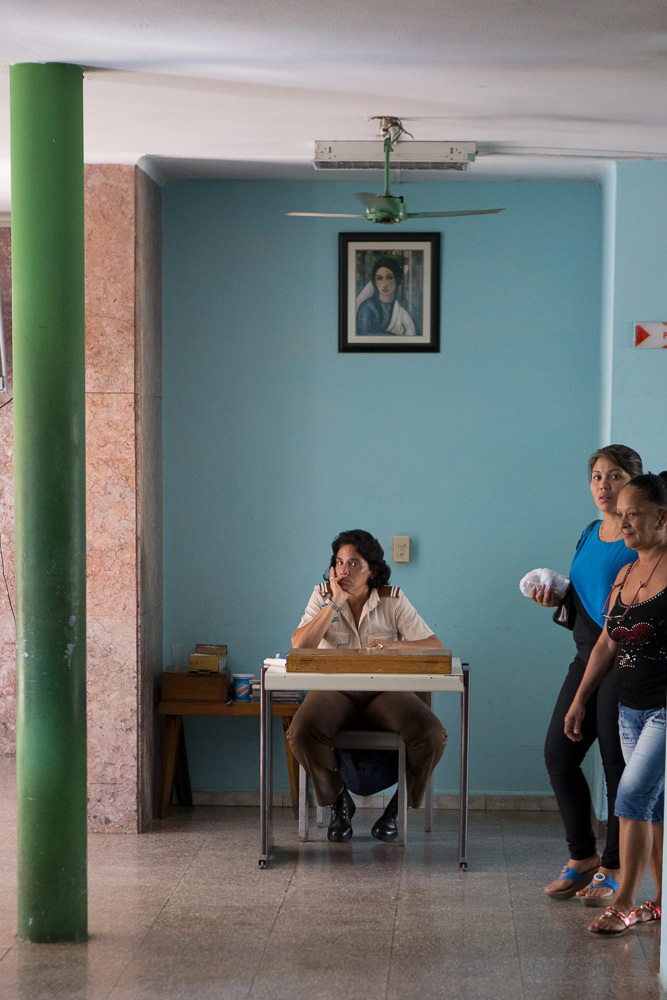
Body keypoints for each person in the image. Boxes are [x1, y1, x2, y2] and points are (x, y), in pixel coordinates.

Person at [530, 445, 643, 904]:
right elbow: (586, 595)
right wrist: (556, 597)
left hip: (625, 661)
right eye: (596, 476)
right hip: (586, 654)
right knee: (559, 754)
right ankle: (583, 857)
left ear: (634, 482)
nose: (603, 485)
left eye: (614, 476)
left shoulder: (642, 536)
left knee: (617, 769)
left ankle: (613, 866)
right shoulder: (591, 531)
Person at [287, 529, 447, 843]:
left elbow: (435, 645)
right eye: (339, 562)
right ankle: (337, 802)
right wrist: (335, 604)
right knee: (301, 730)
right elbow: (299, 646)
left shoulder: (393, 597)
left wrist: (395, 646)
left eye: (354, 563)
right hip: (335, 690)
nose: (343, 570)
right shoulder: (322, 594)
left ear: (372, 570)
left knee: (430, 733)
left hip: (386, 692)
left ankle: (398, 809)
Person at [564, 473, 667, 934]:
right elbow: (607, 643)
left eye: (633, 515)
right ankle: (662, 901)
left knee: (631, 797)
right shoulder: (626, 572)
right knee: (654, 807)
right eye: (620, 515)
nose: (623, 524)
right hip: (630, 706)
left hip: (665, 707)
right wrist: (580, 699)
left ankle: (623, 900)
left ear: (662, 516)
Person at [356, 256, 417, 336]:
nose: (384, 284)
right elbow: (363, 334)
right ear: (374, 281)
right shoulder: (367, 307)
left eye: (389, 277)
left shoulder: (401, 310)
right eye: (379, 278)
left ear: (397, 279)